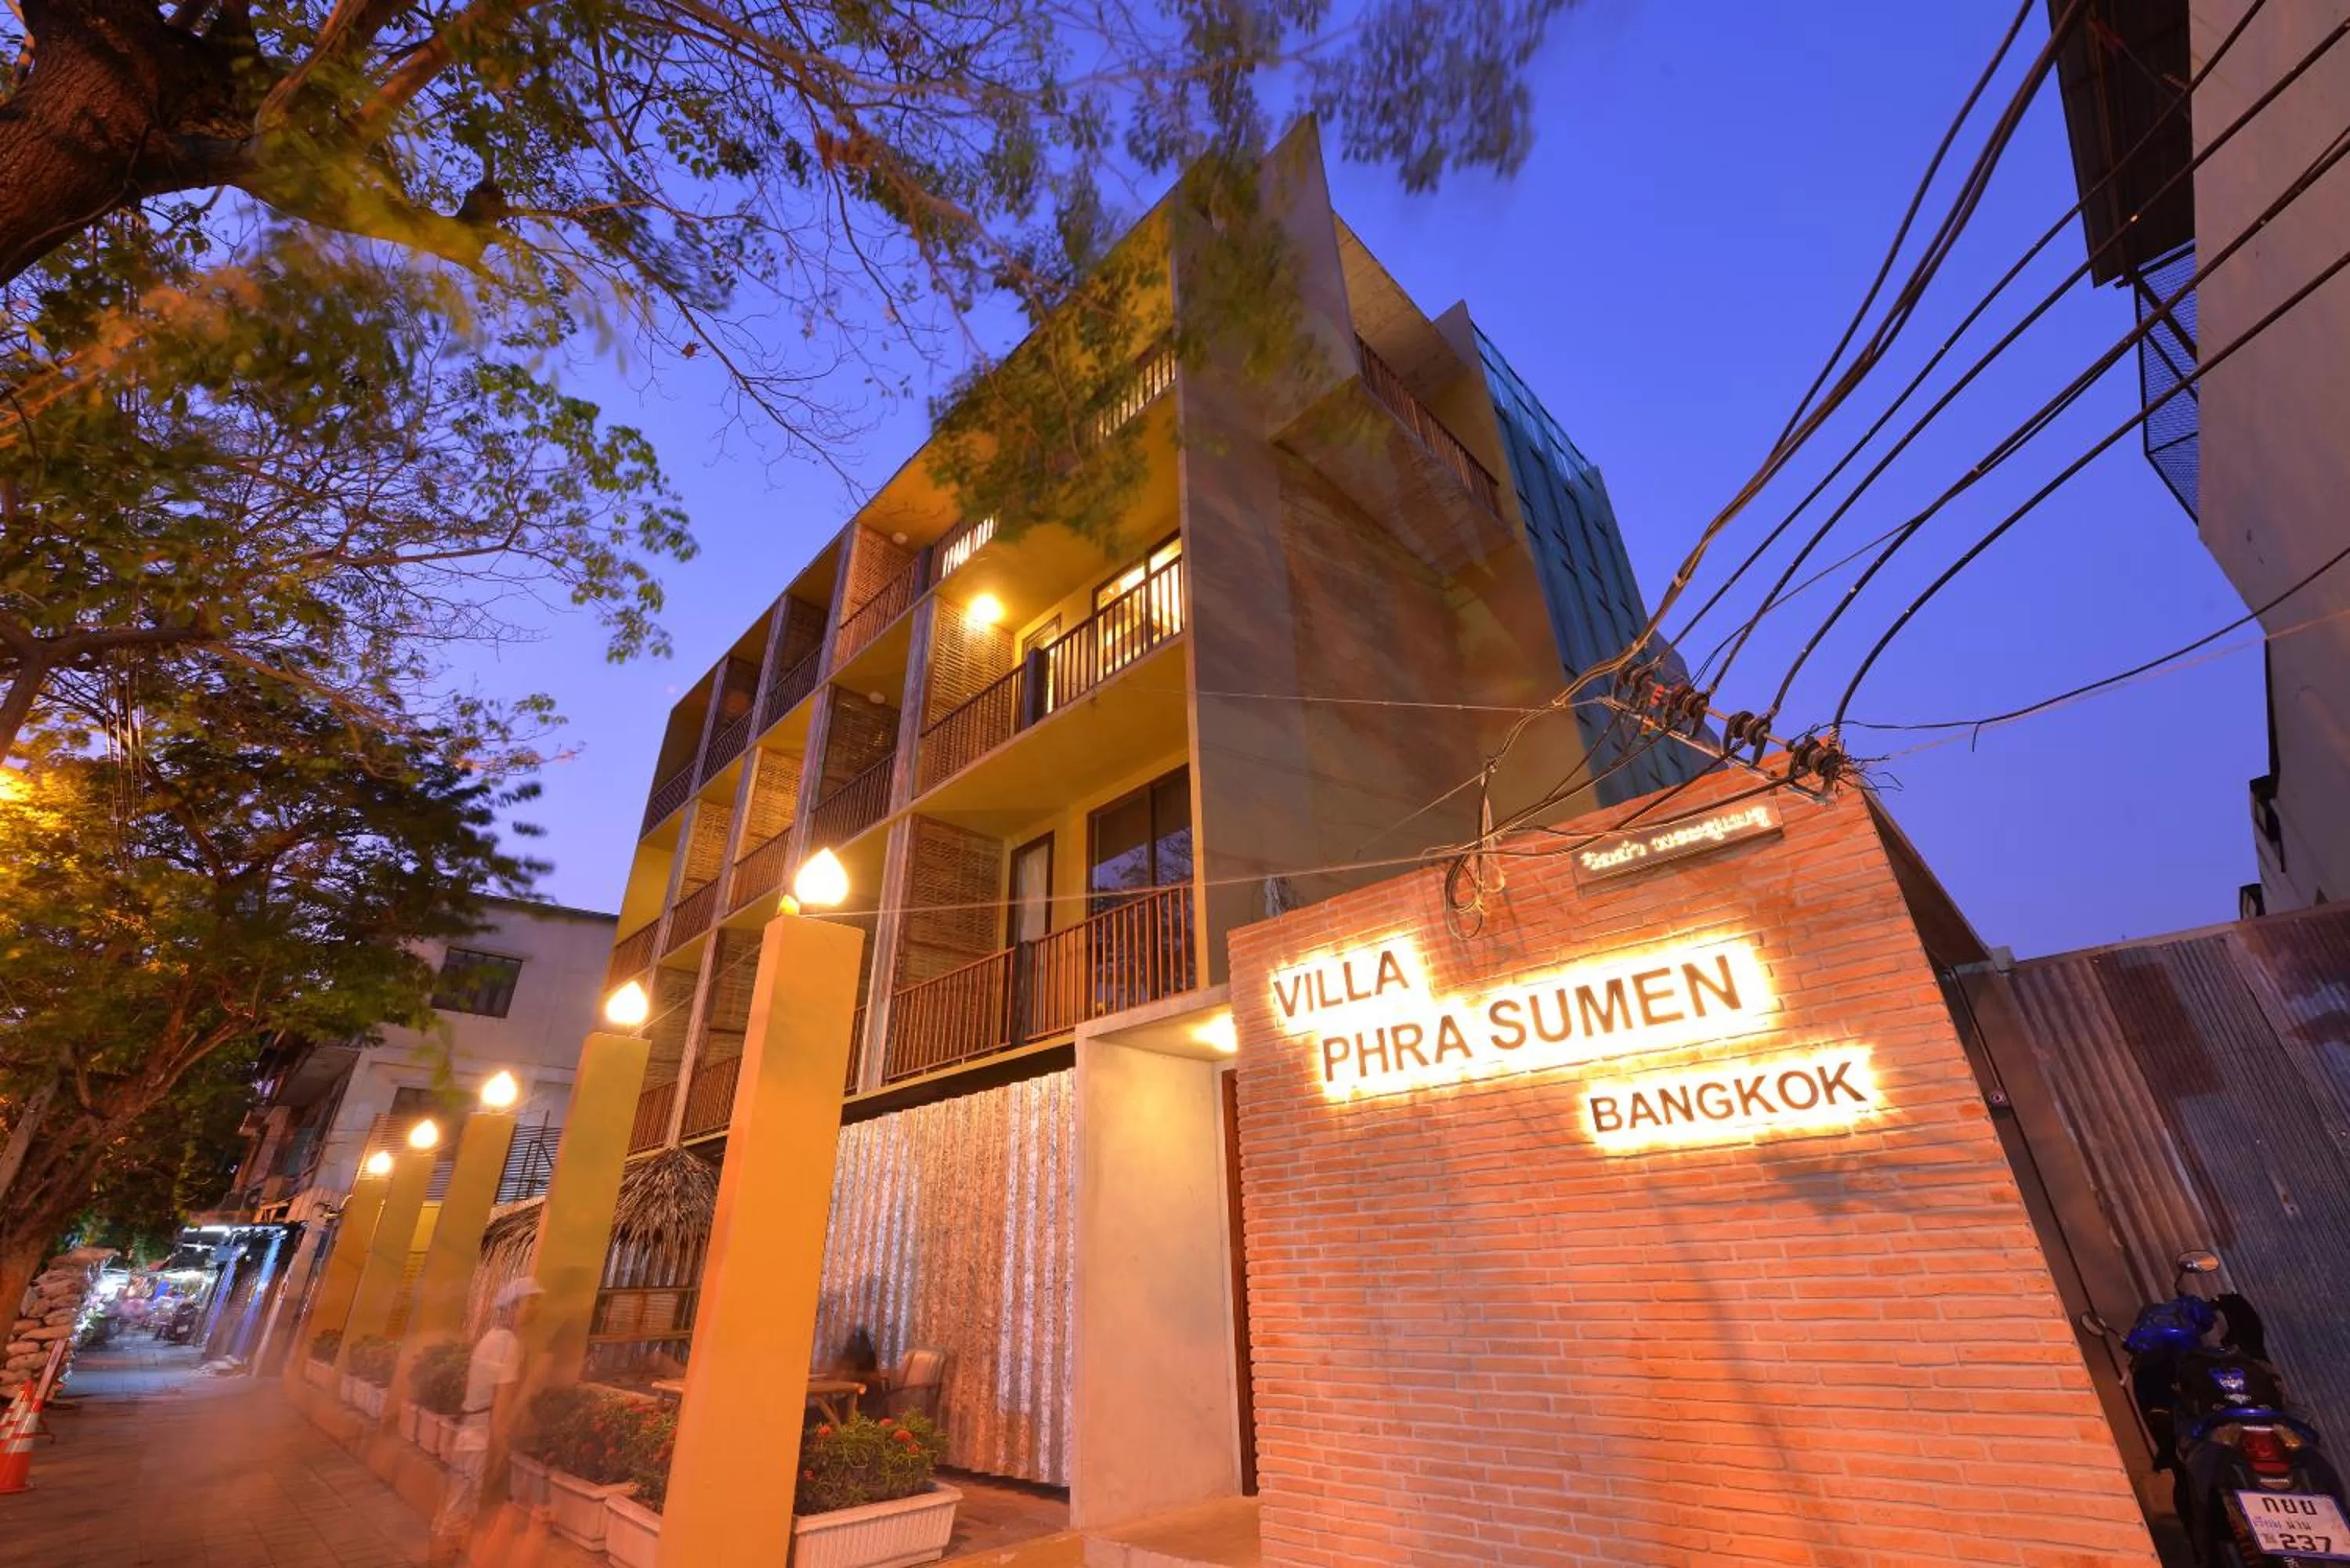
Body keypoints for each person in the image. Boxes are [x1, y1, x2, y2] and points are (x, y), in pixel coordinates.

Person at [429, 1277, 542, 1566]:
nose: (535, 1310)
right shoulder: (508, 1343)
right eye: (531, 1303)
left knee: (454, 1508)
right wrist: (500, 1445)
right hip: (481, 1435)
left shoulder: (491, 1337)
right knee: (465, 1514)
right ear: (513, 1306)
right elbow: (501, 1403)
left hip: (469, 1431)